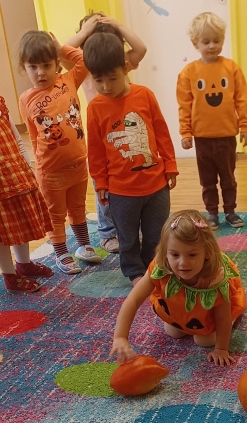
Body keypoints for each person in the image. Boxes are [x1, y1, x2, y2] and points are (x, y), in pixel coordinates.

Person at [83, 32, 178, 283]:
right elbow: (95, 151)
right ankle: (135, 271)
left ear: (125, 67)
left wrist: (170, 164)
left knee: (156, 233)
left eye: (112, 78)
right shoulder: (95, 108)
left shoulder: (145, 95)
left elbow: (161, 132)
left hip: (156, 184)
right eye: (98, 80)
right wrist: (101, 183)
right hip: (121, 191)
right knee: (127, 237)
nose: (106, 87)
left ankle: (153, 266)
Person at [110, 209, 247, 367]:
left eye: (192, 255)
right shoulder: (161, 267)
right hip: (178, 310)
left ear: (207, 253)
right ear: (165, 253)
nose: (183, 263)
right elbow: (133, 300)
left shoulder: (215, 278)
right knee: (173, 332)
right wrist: (120, 337)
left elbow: (222, 318)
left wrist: (221, 349)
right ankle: (183, 321)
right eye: (175, 255)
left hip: (209, 314)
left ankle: (235, 318)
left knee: (205, 340)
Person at [18, 30, 102, 275]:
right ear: (24, 68)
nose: (41, 72)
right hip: (51, 171)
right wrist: (39, 164)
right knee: (55, 214)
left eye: (47, 65)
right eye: (33, 67)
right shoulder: (26, 99)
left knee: (77, 207)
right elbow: (34, 134)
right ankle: (61, 252)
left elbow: (84, 60)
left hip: (78, 163)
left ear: (56, 63)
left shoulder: (68, 80)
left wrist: (60, 47)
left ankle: (84, 246)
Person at [65, 12, 147, 253]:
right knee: (103, 184)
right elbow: (63, 52)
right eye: (90, 36)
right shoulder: (85, 66)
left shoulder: (120, 62)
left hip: (126, 132)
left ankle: (129, 227)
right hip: (101, 134)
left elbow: (141, 49)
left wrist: (118, 25)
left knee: (131, 180)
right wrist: (85, 31)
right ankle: (108, 232)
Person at [177, 12, 247, 231]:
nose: (212, 46)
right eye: (206, 41)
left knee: (228, 178)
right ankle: (212, 213)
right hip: (202, 138)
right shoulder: (189, 72)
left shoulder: (232, 68)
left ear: (223, 40)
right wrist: (185, 132)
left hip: (227, 135)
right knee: (207, 180)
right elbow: (184, 104)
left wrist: (245, 126)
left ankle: (230, 211)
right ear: (195, 43)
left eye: (216, 40)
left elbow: (242, 99)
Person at [0, 95, 53, 293]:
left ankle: (23, 264)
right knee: (2, 232)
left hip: (15, 173)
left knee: (20, 221)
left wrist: (26, 166)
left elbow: (16, 139)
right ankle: (9, 276)